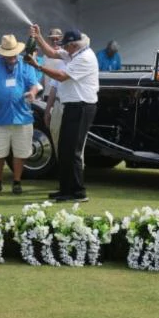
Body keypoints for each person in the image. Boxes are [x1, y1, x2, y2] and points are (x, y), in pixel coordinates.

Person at [28, 25, 99, 203]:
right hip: (73, 106)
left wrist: (38, 66)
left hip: (82, 107)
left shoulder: (85, 58)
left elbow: (60, 76)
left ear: (74, 45)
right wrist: (38, 37)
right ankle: (66, 189)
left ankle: (78, 192)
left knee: (73, 151)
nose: (63, 49)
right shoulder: (75, 53)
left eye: (66, 45)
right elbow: (52, 53)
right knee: (64, 149)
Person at [0, 34, 41, 195]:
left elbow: (34, 85)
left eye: (13, 54)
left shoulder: (26, 64)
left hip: (23, 116)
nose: (11, 57)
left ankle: (17, 181)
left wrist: (32, 93)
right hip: (0, 116)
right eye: (7, 54)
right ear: (1, 54)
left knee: (21, 153)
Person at [40, 28, 66, 152]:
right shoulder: (45, 55)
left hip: (59, 98)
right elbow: (43, 76)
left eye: (57, 39)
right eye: (52, 39)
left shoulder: (64, 55)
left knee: (58, 131)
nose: (55, 41)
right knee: (49, 128)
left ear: (61, 39)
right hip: (47, 96)